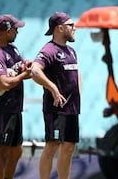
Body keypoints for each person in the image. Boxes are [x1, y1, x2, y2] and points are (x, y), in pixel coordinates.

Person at [31, 12, 81, 179]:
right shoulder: (49, 50)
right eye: (71, 25)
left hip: (72, 108)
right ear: (60, 28)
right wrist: (53, 88)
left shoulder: (71, 51)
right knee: (52, 146)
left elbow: (76, 73)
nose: (75, 28)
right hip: (56, 109)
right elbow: (35, 71)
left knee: (69, 148)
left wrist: (78, 94)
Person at [0, 14, 32, 179]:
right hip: (1, 109)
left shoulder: (12, 48)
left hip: (14, 107)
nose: (17, 32)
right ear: (7, 30)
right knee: (2, 150)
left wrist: (27, 66)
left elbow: (21, 64)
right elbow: (3, 83)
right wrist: (22, 76)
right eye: (16, 29)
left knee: (17, 149)